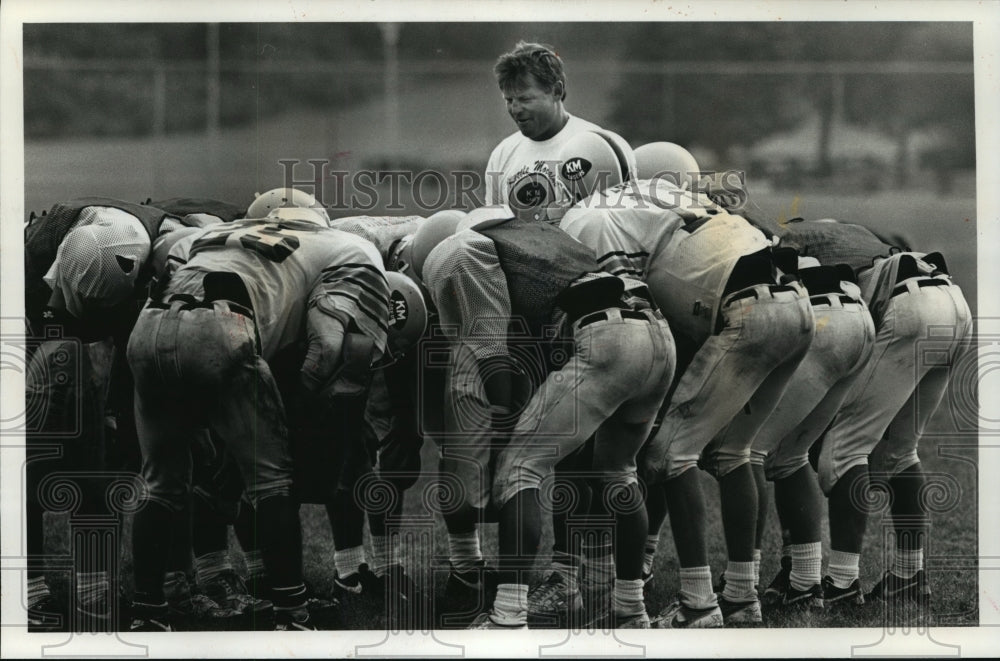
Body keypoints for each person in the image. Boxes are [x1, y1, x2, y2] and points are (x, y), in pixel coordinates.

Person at [558, 137, 815, 628]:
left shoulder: (593, 213)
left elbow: (625, 304)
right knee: (733, 453)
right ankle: (741, 596)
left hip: (746, 310)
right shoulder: (689, 198)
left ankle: (699, 604)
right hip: (795, 303)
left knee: (666, 457)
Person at [126, 190, 390, 631]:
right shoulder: (346, 247)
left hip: (148, 329)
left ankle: (147, 612)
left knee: (159, 482)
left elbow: (172, 275)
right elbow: (328, 346)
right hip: (224, 326)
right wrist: (294, 408)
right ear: (318, 219)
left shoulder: (209, 234)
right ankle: (292, 612)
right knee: (271, 482)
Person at [417, 204, 675, 630]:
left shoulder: (463, 248)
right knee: (619, 471)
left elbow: (489, 348)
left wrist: (500, 421)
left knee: (519, 468)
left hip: (604, 335)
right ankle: (630, 609)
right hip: (655, 333)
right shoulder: (544, 239)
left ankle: (508, 614)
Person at [22, 196, 207, 631]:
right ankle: (27, 585)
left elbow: (129, 345)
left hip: (109, 348)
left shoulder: (156, 262)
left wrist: (119, 414)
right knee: (25, 455)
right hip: (36, 340)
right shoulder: (29, 258)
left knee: (104, 455)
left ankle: (95, 584)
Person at [772, 218, 972, 610]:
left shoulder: (796, 243)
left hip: (910, 309)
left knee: (841, 451)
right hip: (953, 303)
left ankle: (843, 581)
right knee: (900, 450)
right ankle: (908, 575)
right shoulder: (854, 235)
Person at [484, 41, 634, 209]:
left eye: (525, 99)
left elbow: (614, 222)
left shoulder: (598, 147)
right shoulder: (503, 154)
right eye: (509, 100)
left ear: (556, 91)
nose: (515, 109)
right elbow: (494, 227)